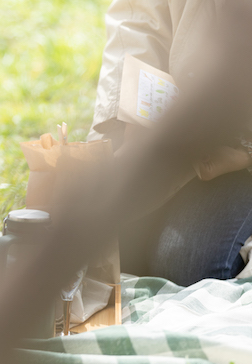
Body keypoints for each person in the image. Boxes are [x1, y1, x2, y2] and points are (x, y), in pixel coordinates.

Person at [88, 0, 252, 286]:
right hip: (178, 116)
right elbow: (137, 16)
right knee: (115, 251)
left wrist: (245, 149)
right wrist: (135, 112)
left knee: (190, 264)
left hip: (238, 154)